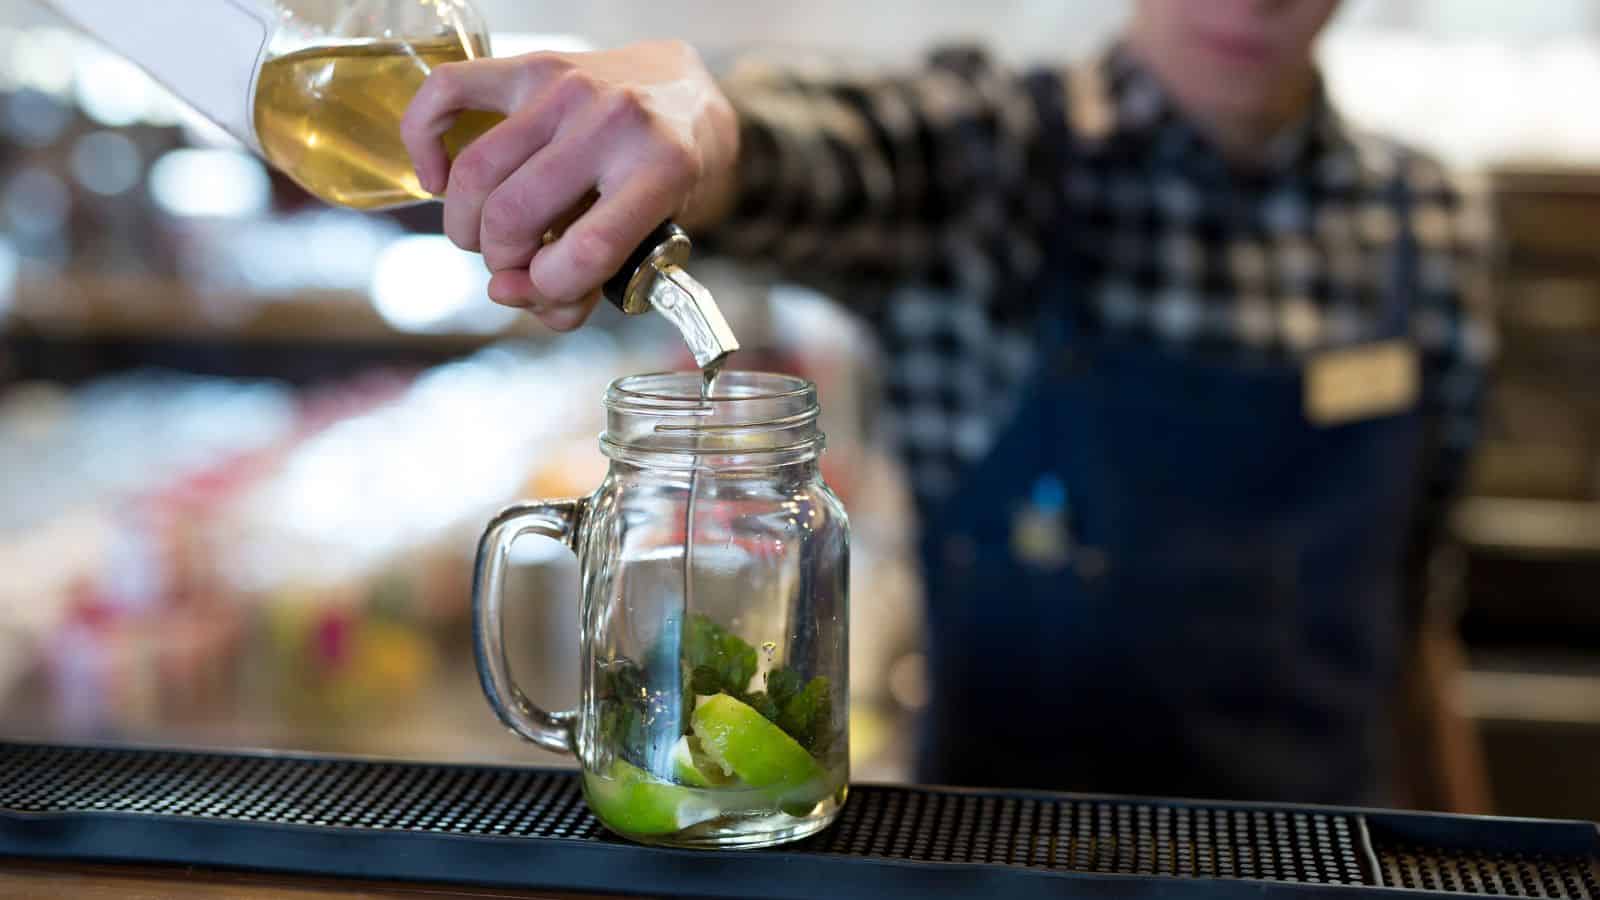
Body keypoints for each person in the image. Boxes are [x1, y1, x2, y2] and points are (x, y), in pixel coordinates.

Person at [401, 0, 1494, 808]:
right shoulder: (991, 160)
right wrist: (690, 117)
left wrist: (1459, 854)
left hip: (1322, 864)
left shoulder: (1428, 221)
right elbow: (811, 150)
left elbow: (1413, 617)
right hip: (1010, 859)